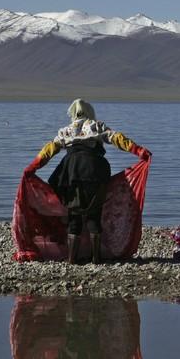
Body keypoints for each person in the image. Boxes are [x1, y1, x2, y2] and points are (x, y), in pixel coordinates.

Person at [23, 99, 151, 264]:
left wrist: (32, 168)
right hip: (95, 170)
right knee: (94, 213)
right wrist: (140, 151)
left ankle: (71, 258)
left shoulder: (66, 131)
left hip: (72, 171)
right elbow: (117, 139)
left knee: (74, 214)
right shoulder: (97, 126)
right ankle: (96, 258)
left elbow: (49, 150)